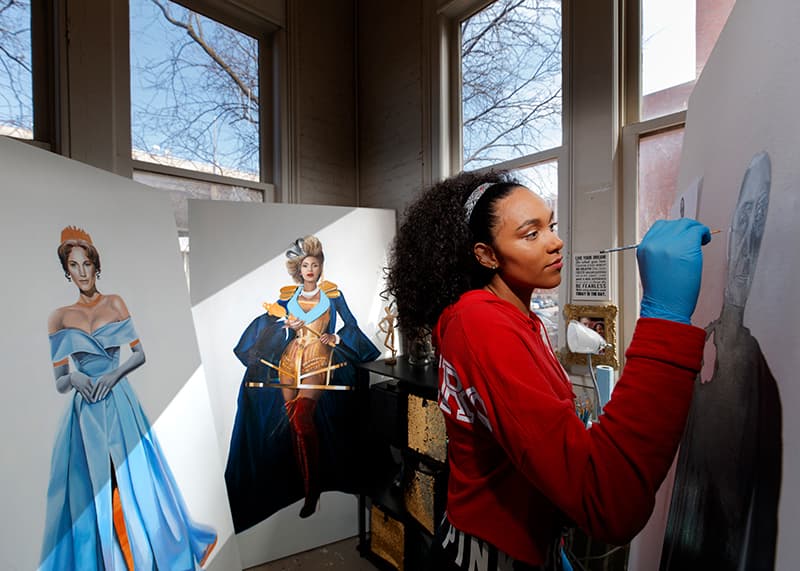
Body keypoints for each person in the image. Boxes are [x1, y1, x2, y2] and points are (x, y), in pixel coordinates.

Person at [385, 171, 711, 571]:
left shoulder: (516, 318)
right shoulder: (481, 323)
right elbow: (608, 502)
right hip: (491, 555)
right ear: (487, 255)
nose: (555, 242)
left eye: (550, 226)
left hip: (519, 546)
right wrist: (665, 319)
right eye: (531, 234)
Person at [41, 226, 216, 571]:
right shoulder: (59, 318)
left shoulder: (115, 303)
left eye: (87, 263)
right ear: (67, 271)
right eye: (74, 265)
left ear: (96, 265)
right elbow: (60, 381)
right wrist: (75, 377)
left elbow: (139, 354)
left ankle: (141, 556)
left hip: (119, 403)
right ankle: (110, 561)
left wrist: (113, 375)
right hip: (85, 414)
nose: (82, 272)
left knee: (132, 481)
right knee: (92, 490)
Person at [225, 235, 381, 530]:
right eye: (306, 265)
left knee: (302, 417)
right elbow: (269, 324)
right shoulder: (287, 296)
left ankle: (312, 491)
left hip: (319, 357)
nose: (310, 270)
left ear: (321, 266)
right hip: (291, 357)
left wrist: (336, 338)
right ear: (299, 269)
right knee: (289, 423)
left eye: (315, 264)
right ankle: (303, 482)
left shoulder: (332, 294)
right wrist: (285, 324)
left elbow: (350, 325)